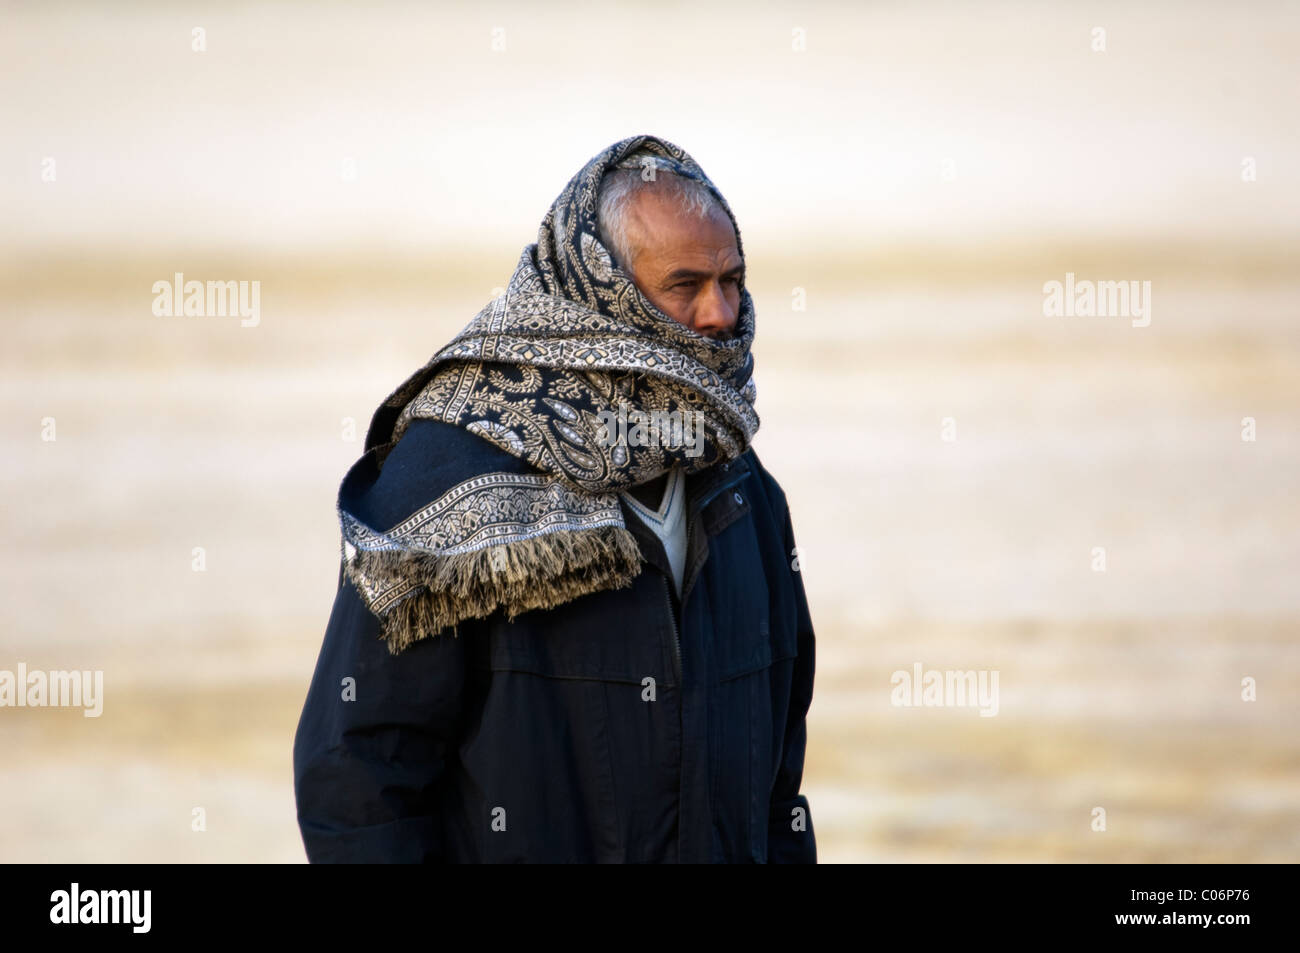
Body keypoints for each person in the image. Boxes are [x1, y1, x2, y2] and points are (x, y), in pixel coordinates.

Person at [292, 134, 817, 863]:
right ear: (600, 286)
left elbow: (778, 789)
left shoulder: (743, 488)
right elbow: (354, 779)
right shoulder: (444, 482)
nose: (721, 313)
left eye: (732, 280)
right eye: (685, 285)